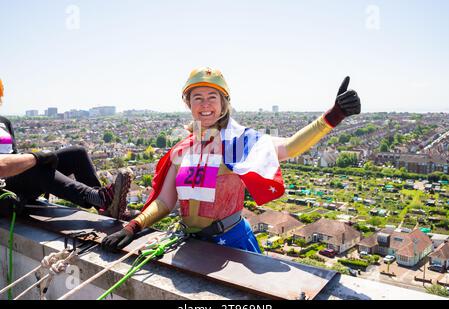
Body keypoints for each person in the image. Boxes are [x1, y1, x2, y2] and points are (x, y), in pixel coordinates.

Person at [102, 67, 361, 253]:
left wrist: (333, 116)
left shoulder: (240, 143)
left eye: (212, 97)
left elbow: (290, 147)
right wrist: (133, 227)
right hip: (190, 243)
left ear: (224, 103)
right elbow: (165, 201)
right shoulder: (181, 149)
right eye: (197, 98)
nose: (205, 104)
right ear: (188, 104)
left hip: (233, 242)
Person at [0, 78, 131, 219]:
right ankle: (99, 198)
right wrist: (36, 158)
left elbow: (14, 154)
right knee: (34, 165)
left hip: (16, 182)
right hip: (3, 189)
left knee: (77, 153)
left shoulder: (4, 122)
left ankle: (105, 206)